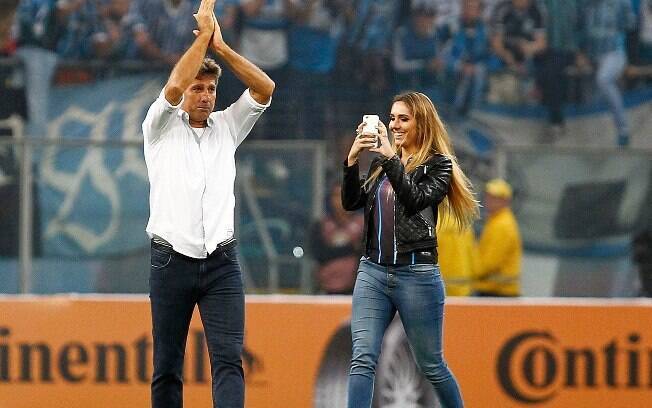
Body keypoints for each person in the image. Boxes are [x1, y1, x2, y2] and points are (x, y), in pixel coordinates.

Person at [141, 0, 275, 406]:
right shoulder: (159, 126)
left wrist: (220, 47)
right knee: (167, 366)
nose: (204, 96)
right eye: (198, 88)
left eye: (211, 88)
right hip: (170, 260)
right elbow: (173, 88)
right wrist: (202, 38)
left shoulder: (227, 126)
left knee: (229, 361)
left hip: (221, 262)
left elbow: (265, 88)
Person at [342, 91, 479, 407]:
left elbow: (415, 199)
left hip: (416, 274)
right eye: (392, 118)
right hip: (373, 271)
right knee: (362, 357)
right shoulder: (382, 163)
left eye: (404, 118)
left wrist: (390, 159)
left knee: (431, 365)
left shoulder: (438, 166)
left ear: (423, 123)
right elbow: (351, 202)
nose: (394, 125)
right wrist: (351, 161)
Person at [308, 183, 364, 294]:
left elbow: (366, 253)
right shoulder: (321, 225)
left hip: (357, 290)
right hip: (326, 289)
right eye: (337, 195)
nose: (341, 200)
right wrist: (351, 248)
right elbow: (319, 253)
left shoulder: (365, 224)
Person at [474, 178, 522, 297]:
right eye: (488, 196)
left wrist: (472, 271)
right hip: (496, 290)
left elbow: (490, 262)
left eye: (495, 198)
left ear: (506, 201)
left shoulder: (502, 225)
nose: (489, 201)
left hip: (498, 292)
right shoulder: (496, 221)